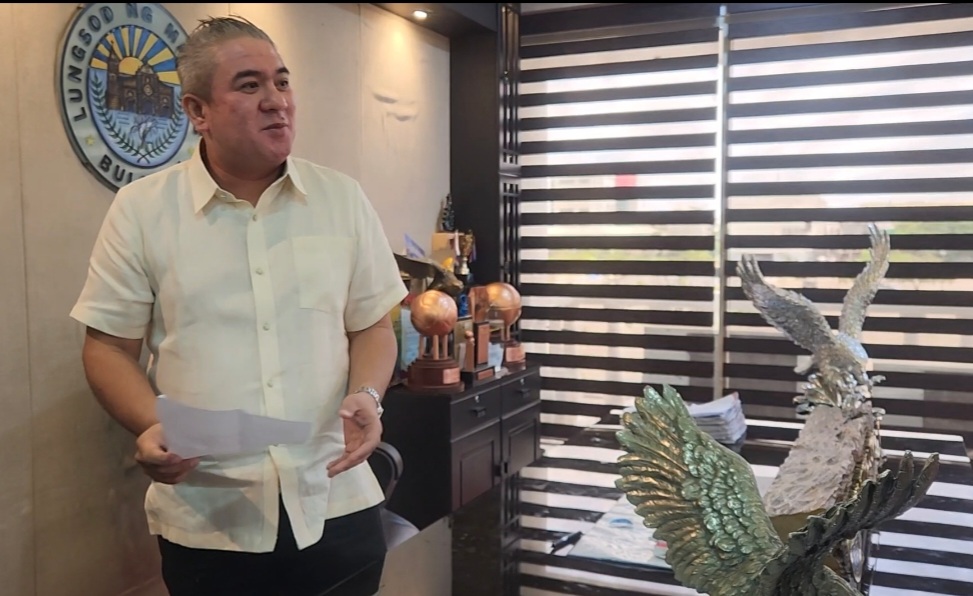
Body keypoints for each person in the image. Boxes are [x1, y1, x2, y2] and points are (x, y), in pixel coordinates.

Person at [70, 15, 407, 596]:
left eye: (282, 81)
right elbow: (107, 348)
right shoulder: (142, 210)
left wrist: (368, 395)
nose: (276, 100)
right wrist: (153, 425)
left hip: (336, 498)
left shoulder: (341, 199)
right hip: (212, 515)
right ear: (197, 111)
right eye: (249, 85)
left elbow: (372, 325)